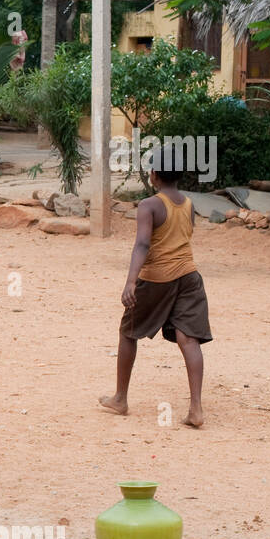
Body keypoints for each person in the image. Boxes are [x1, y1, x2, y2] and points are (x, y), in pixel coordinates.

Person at [99, 156, 211, 427]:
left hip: (158, 279)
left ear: (155, 175)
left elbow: (142, 245)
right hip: (189, 277)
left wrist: (130, 282)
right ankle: (196, 409)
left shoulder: (149, 205)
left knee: (128, 331)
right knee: (189, 339)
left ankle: (120, 399)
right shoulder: (188, 204)